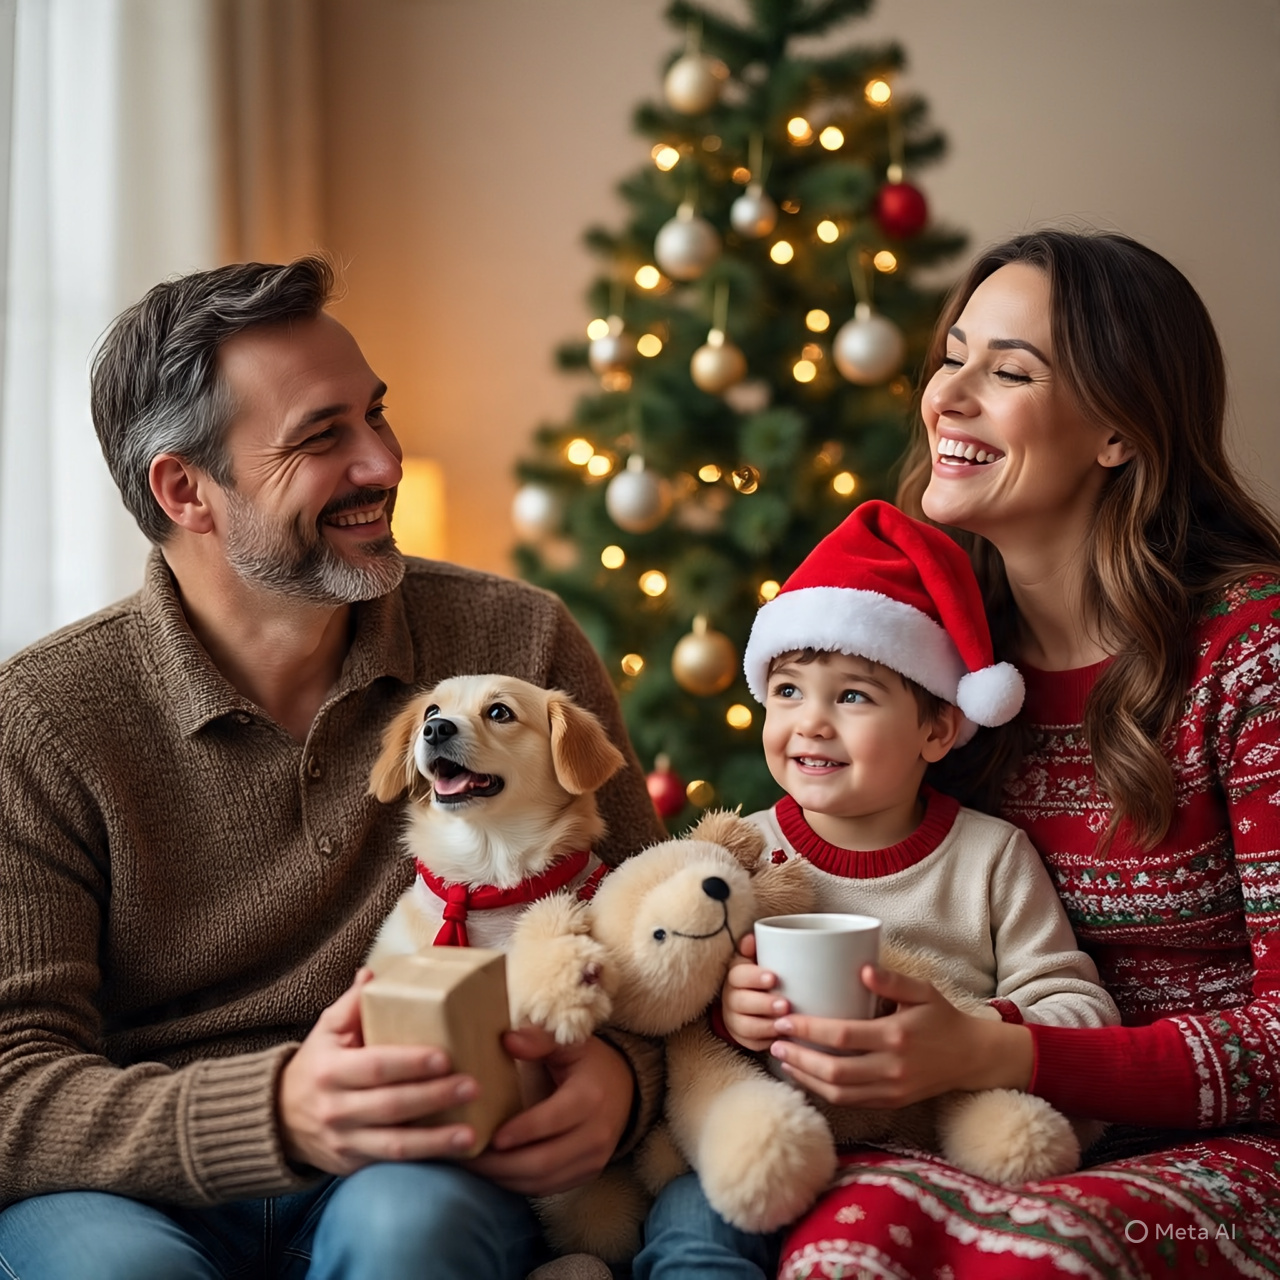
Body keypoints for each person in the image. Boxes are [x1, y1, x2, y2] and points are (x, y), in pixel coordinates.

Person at [0, 256, 666, 1280]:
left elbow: (652, 935)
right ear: (185, 489)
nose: (383, 461)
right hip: (131, 1181)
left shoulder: (516, 640)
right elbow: (12, 1083)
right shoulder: (40, 716)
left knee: (412, 1234)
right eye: (323, 436)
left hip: (425, 1158)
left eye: (375, 415)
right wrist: (272, 1109)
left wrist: (623, 1080)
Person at [771, 230, 1280, 1278]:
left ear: (1116, 430)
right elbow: (825, 857)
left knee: (1029, 1258)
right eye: (951, 355)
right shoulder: (921, 663)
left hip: (1232, 1147)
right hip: (985, 1115)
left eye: (1007, 371)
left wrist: (1004, 1046)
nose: (946, 396)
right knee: (834, 1249)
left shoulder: (1250, 656)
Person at [636, 499, 1119, 1279]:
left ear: (936, 731)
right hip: (773, 1143)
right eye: (788, 691)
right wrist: (730, 1012)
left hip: (936, 1142)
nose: (810, 723)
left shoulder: (990, 858)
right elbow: (664, 990)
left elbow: (1079, 1008)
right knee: (694, 1232)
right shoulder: (742, 854)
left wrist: (974, 1030)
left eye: (852, 696)